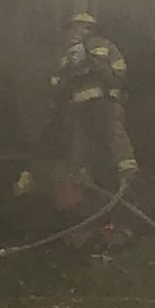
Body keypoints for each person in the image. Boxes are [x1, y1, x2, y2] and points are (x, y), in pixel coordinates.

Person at [52, 12, 140, 192]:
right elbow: (58, 81)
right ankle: (80, 176)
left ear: (90, 29)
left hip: (105, 101)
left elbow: (118, 74)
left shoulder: (104, 46)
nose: (75, 31)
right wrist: (69, 72)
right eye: (73, 27)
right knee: (79, 140)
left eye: (80, 27)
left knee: (113, 134)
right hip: (79, 105)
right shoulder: (65, 53)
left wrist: (91, 62)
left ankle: (128, 174)